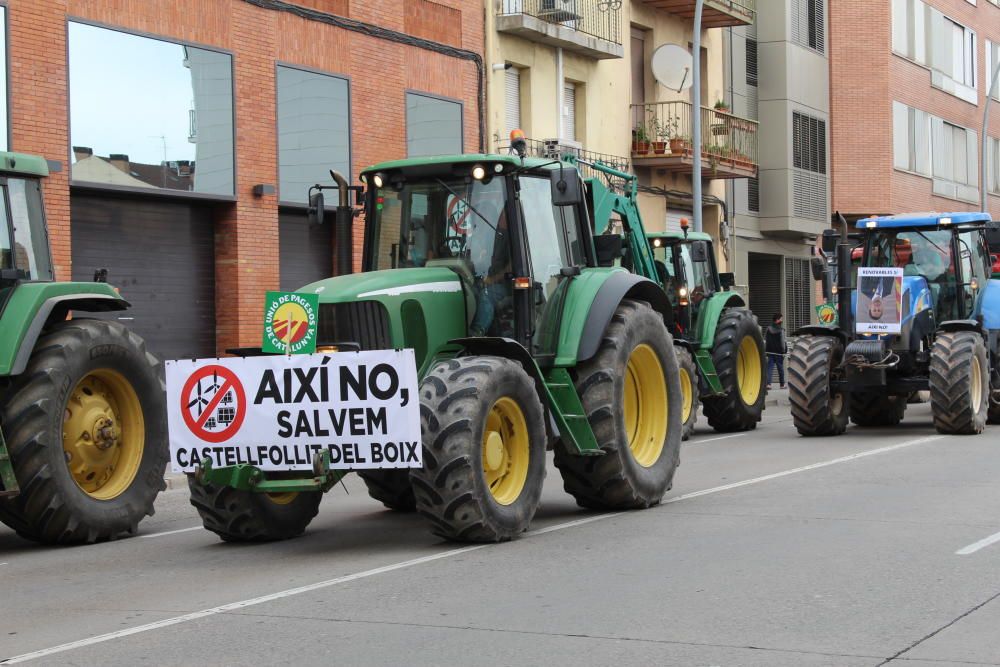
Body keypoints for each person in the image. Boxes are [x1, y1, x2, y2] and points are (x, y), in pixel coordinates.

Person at [765, 313, 787, 389]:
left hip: (770, 352)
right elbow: (782, 342)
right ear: (777, 320)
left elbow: (766, 340)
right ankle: (782, 385)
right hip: (779, 353)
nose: (782, 320)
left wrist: (766, 350)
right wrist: (784, 351)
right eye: (781, 319)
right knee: (780, 369)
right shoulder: (781, 330)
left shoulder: (768, 329)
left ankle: (768, 384)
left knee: (769, 368)